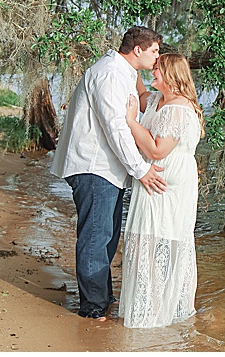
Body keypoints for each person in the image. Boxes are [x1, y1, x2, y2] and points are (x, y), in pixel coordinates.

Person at [50, 26, 168, 321]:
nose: (158, 57)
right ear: (138, 50)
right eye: (154, 51)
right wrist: (141, 170)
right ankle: (93, 309)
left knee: (107, 236)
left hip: (106, 169)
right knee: (95, 237)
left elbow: (139, 107)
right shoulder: (110, 74)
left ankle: (102, 298)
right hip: (94, 166)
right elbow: (116, 128)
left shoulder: (125, 73)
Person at [119, 53, 205, 328]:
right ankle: (148, 303)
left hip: (168, 181)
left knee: (160, 239)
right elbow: (142, 92)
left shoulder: (178, 109)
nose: (152, 73)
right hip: (155, 176)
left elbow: (157, 148)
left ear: (170, 76)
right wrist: (130, 64)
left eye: (156, 70)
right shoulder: (158, 100)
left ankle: (160, 310)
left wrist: (131, 122)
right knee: (148, 238)